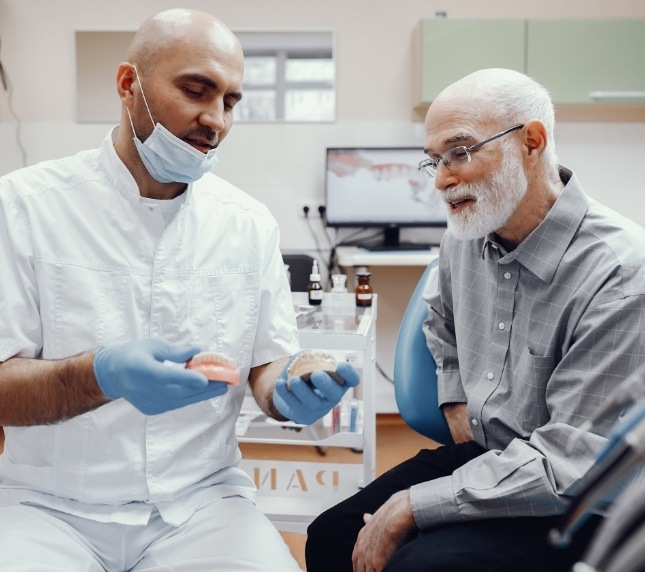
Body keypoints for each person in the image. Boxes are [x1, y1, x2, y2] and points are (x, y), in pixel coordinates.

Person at [0, 9, 358, 571]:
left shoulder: (248, 224)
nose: (215, 119)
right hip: (47, 506)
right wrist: (99, 374)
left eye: (231, 101)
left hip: (201, 505)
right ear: (128, 85)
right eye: (196, 90)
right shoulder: (23, 207)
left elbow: (267, 363)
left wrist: (289, 385)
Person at [306, 68, 645, 572]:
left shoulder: (619, 273)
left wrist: (413, 505)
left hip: (578, 494)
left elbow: (572, 462)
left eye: (460, 152)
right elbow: (439, 320)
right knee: (330, 537)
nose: (441, 179)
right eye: (434, 162)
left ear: (532, 140)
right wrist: (456, 398)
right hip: (491, 457)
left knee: (417, 565)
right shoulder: (464, 236)